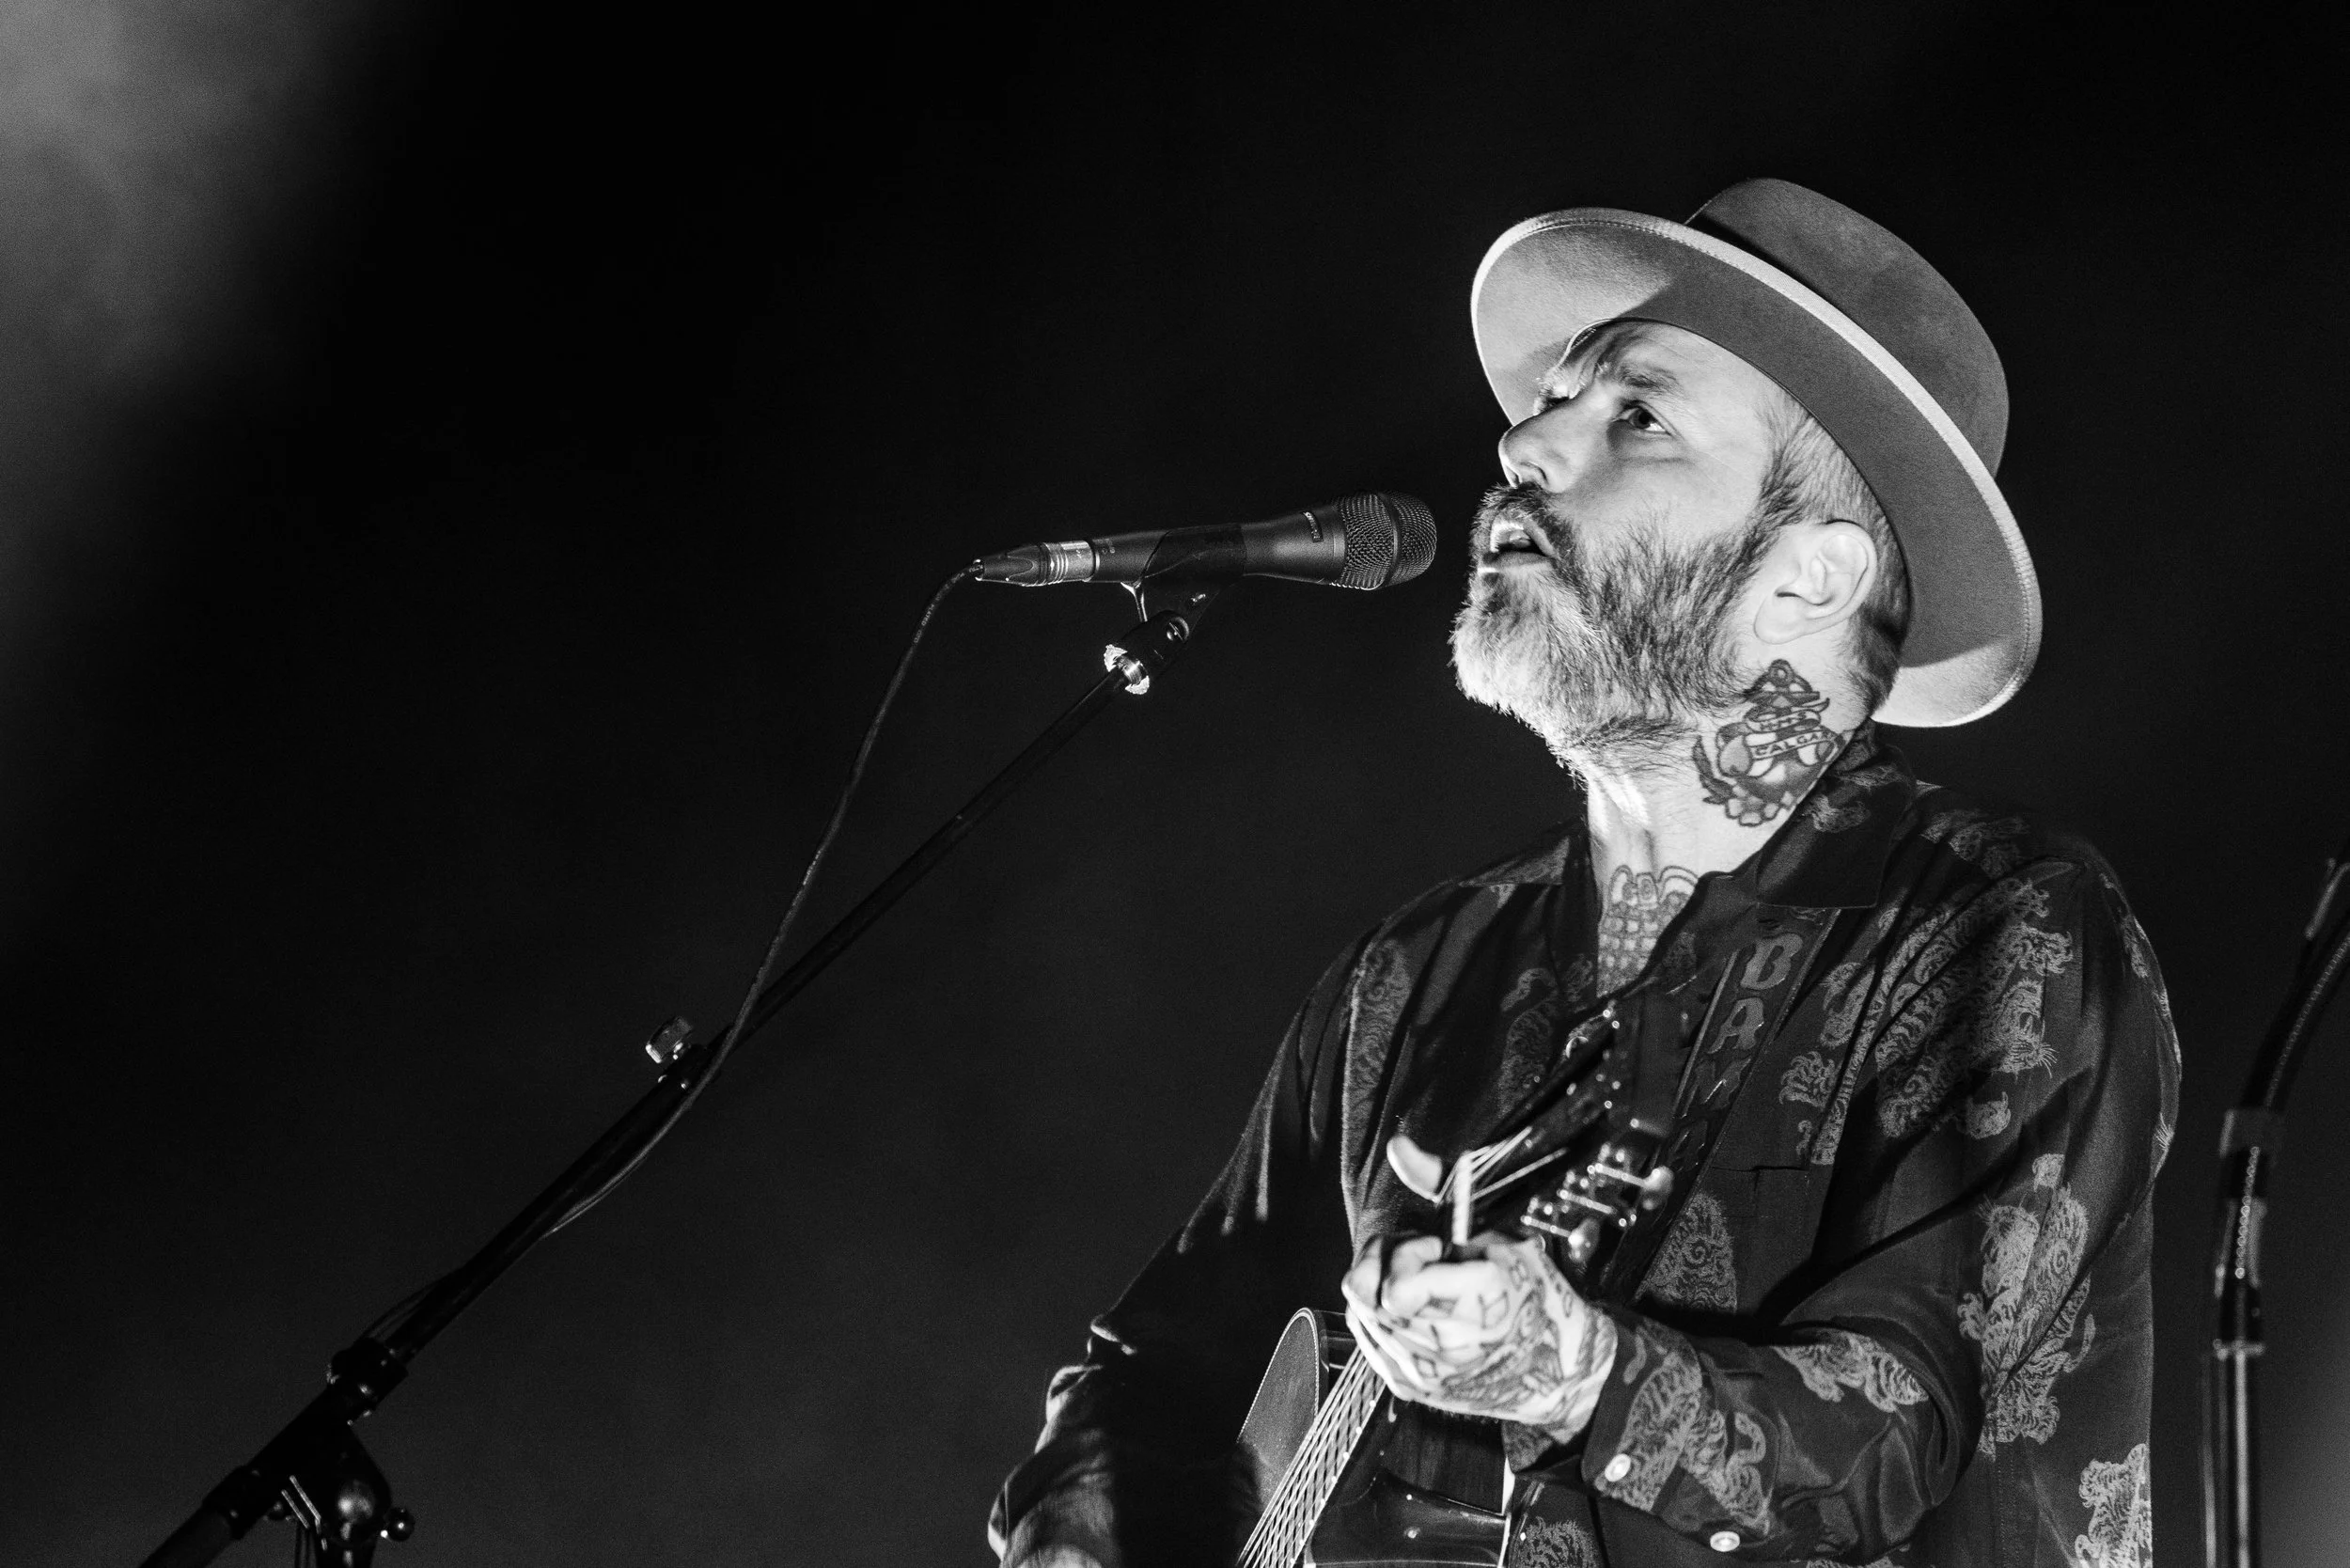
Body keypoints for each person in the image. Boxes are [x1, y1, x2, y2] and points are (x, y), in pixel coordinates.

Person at [989, 179, 2177, 1568]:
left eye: (1637, 416)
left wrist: (1580, 1377)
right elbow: (1150, 1367)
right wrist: (1081, 1523)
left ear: (1807, 577)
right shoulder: (1420, 975)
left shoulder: (1997, 931)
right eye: (1554, 398)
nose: (1524, 441)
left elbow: (1900, 1422)